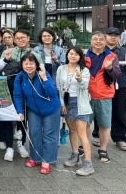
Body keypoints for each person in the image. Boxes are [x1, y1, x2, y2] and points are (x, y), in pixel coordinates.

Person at [0, 29, 43, 161]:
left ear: (28, 38)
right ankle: (9, 147)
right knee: (7, 118)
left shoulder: (35, 55)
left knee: (23, 117)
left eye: (23, 37)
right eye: (17, 38)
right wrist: (5, 60)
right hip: (8, 89)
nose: (20, 40)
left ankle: (21, 144)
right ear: (14, 40)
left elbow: (41, 72)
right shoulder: (7, 52)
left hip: (27, 91)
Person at [14, 53, 61, 175]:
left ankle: (47, 160)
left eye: (31, 63)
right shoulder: (20, 77)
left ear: (36, 64)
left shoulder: (43, 74)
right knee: (34, 133)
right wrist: (19, 111)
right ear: (22, 65)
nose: (29, 66)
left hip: (51, 109)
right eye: (26, 63)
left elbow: (52, 93)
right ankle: (36, 158)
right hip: (33, 110)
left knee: (49, 134)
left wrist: (45, 79)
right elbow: (18, 95)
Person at [56, 47, 94, 176]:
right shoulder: (61, 69)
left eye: (76, 54)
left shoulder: (84, 70)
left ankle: (88, 164)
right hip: (66, 103)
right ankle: (75, 155)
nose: (73, 56)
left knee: (82, 134)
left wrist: (79, 79)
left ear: (80, 57)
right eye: (71, 53)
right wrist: (62, 104)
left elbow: (85, 86)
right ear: (67, 55)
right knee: (72, 130)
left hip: (79, 103)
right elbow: (59, 88)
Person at [85, 31, 121, 164]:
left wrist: (110, 68)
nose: (98, 41)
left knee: (104, 125)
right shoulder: (84, 56)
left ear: (105, 41)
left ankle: (103, 149)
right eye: (95, 39)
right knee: (85, 124)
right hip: (86, 96)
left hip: (104, 96)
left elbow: (117, 75)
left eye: (101, 39)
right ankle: (84, 145)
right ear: (91, 41)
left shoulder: (111, 57)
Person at [100, 27, 126, 151]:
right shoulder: (99, 51)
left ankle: (120, 138)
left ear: (118, 38)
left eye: (115, 35)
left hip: (119, 86)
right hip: (102, 86)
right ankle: (97, 135)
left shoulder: (124, 51)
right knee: (99, 111)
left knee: (120, 112)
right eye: (110, 35)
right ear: (105, 37)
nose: (113, 37)